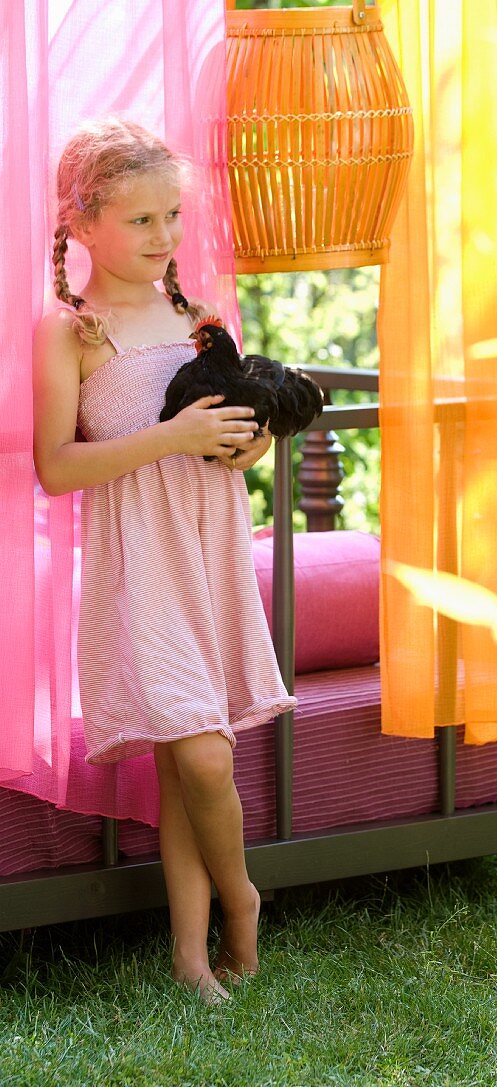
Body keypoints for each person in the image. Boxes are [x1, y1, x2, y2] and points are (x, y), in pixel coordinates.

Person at [32, 117, 297, 1003]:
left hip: (208, 545)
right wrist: (168, 434)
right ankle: (244, 900)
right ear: (84, 223)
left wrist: (237, 444)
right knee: (203, 756)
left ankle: (191, 958)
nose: (163, 237)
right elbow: (56, 466)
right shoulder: (69, 331)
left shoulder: (198, 318)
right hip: (136, 566)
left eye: (171, 216)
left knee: (192, 765)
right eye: (140, 220)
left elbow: (239, 442)